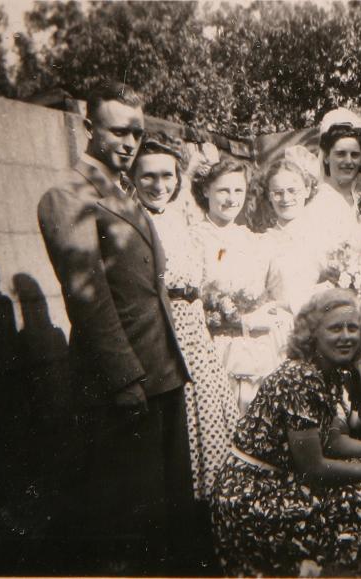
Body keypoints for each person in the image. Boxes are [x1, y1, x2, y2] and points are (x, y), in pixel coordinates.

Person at [36, 82, 193, 574]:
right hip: (123, 383)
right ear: (89, 128)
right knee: (128, 522)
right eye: (118, 131)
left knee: (166, 512)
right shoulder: (68, 196)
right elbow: (89, 298)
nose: (129, 142)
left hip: (161, 372)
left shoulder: (122, 193)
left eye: (137, 133)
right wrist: (125, 380)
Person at [210, 288, 361, 576]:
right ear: (313, 334)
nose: (346, 336)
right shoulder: (301, 379)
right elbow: (313, 468)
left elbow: (329, 441)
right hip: (254, 493)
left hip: (281, 480)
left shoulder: (328, 374)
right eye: (335, 328)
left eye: (352, 328)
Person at [129, 136, 235, 508]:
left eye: (167, 176)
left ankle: (213, 502)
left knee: (209, 414)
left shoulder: (180, 219)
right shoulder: (132, 220)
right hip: (165, 332)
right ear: (132, 178)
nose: (160, 185)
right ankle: (184, 504)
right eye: (148, 176)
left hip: (196, 331)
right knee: (179, 425)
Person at [191, 159, 288, 416]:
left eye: (238, 190)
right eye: (224, 190)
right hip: (214, 345)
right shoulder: (194, 238)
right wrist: (236, 319)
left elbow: (271, 291)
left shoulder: (253, 240)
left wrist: (266, 312)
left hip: (256, 344)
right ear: (206, 190)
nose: (232, 198)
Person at [253, 154, 332, 314]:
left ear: (307, 190)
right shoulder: (263, 243)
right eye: (277, 192)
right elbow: (256, 297)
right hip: (281, 323)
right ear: (269, 196)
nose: (285, 198)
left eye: (292, 190)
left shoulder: (323, 238)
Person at [306, 108, 361, 254]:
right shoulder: (318, 204)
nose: (348, 161)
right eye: (340, 154)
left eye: (354, 155)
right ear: (326, 157)